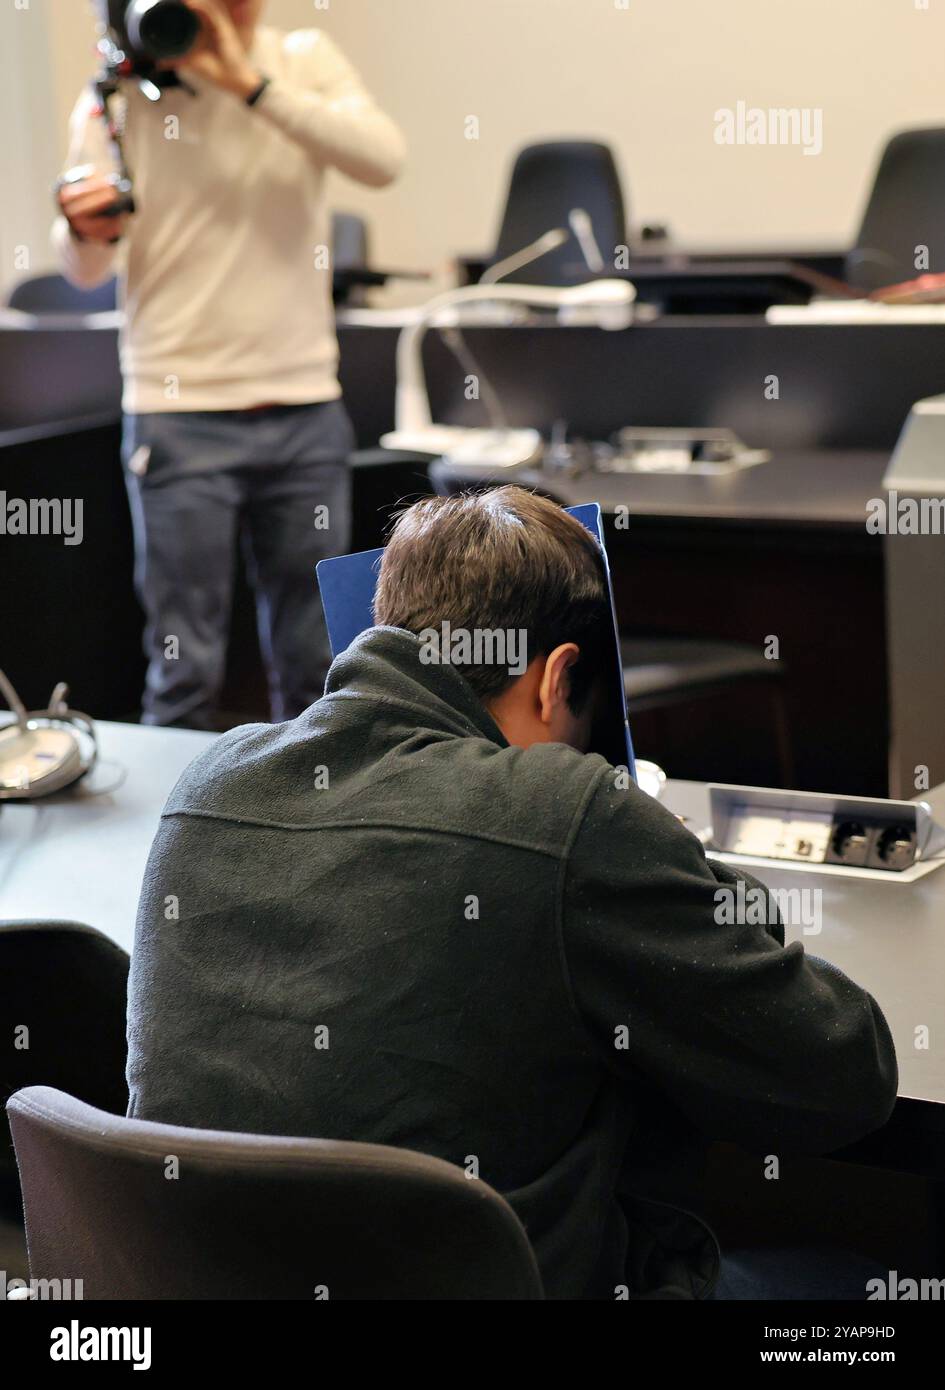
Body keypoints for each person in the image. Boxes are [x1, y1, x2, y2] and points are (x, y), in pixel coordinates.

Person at [127, 487, 897, 1299]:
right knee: (860, 1291)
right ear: (555, 677)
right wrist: (651, 846)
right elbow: (843, 1075)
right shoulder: (563, 810)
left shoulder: (210, 776)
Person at [53, 0, 406, 728]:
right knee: (185, 667)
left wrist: (246, 82)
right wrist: (79, 228)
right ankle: (184, 838)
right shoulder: (122, 87)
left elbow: (381, 158)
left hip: (303, 404)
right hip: (177, 412)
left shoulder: (301, 59)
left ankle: (313, 829)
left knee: (319, 661)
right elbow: (83, 267)